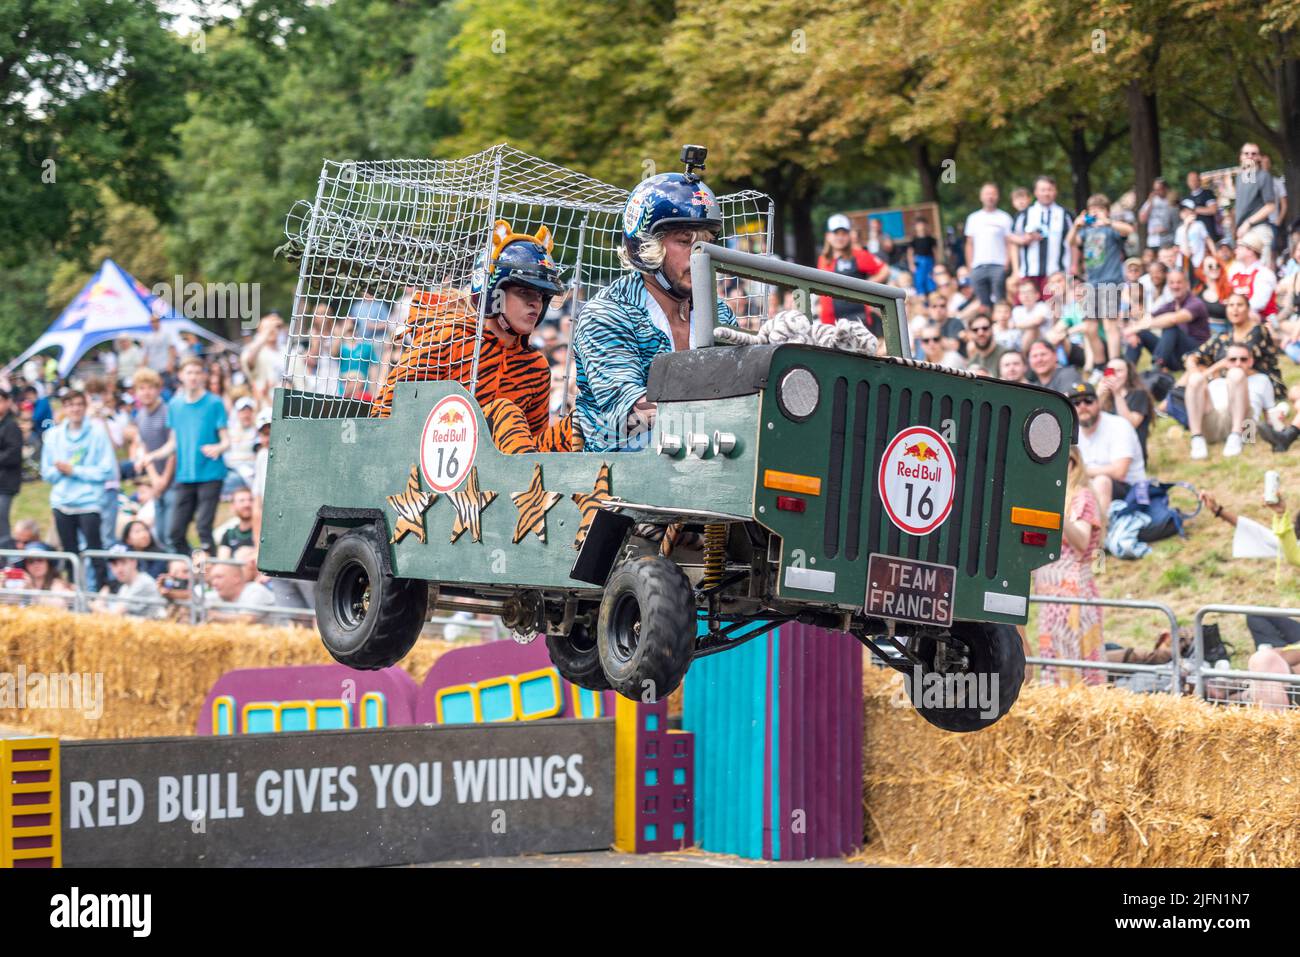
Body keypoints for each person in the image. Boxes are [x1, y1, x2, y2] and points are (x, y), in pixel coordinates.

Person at [573, 159, 738, 451]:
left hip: (707, 459)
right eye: (686, 241)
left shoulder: (719, 312)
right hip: (618, 474)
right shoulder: (607, 313)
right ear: (647, 246)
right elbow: (632, 415)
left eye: (706, 242)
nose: (700, 255)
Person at [371, 221, 575, 453]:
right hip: (430, 468)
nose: (535, 303)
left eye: (541, 296)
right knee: (503, 412)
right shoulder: (448, 337)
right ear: (492, 291)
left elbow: (535, 445)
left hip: (506, 477)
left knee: (585, 423)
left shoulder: (536, 367)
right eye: (524, 292)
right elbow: (384, 413)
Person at [139, 357, 230, 554]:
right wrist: (152, 456)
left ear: (204, 376)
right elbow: (173, 443)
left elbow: (226, 440)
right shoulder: (175, 405)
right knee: (174, 533)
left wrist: (218, 448)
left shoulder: (214, 403)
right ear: (181, 376)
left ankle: (211, 574)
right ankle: (193, 567)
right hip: (185, 475)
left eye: (198, 373)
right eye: (189, 373)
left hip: (210, 474)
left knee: (203, 529)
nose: (194, 377)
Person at [1032, 445, 1105, 686]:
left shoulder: (1081, 496)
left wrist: (1057, 514)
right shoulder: (1053, 495)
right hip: (1051, 593)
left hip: (1072, 590)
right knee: (1054, 658)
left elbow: (1082, 542)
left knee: (1077, 660)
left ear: (1072, 463)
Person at [1184, 293, 1285, 454]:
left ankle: (1236, 436)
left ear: (1251, 360)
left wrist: (1279, 429)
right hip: (1215, 423)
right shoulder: (1218, 377)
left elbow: (1270, 414)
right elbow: (1194, 357)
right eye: (1232, 360)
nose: (1237, 364)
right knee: (1195, 379)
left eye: (1243, 359)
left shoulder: (1262, 380)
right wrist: (1199, 374)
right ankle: (1197, 439)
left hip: (1246, 428)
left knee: (1236, 375)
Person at [40, 390, 115, 591]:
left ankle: (102, 590)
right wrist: (60, 471)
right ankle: (74, 590)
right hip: (62, 502)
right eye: (70, 404)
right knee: (70, 552)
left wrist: (74, 470)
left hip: (89, 501)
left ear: (85, 407)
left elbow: (106, 470)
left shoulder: (97, 433)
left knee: (94, 549)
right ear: (64, 408)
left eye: (79, 404)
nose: (75, 409)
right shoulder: (53, 436)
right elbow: (46, 472)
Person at [1072, 381, 1146, 514]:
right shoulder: (1069, 431)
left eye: (1088, 401)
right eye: (1076, 403)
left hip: (1131, 491)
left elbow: (1119, 472)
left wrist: (1080, 471)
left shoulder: (1118, 425)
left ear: (1098, 403)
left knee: (1101, 481)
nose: (1082, 406)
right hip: (1087, 485)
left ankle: (1100, 532)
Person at [123, 368, 174, 550]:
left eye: (150, 387)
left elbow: (173, 448)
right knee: (160, 533)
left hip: (174, 480)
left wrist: (164, 479)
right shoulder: (141, 415)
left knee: (172, 532)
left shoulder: (167, 411)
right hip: (157, 480)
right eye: (141, 388)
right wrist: (154, 479)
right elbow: (144, 447)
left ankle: (192, 570)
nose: (146, 392)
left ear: (158, 389)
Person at [1123, 269, 1211, 372]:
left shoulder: (1195, 303)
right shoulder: (1171, 304)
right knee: (1141, 334)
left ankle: (1156, 369)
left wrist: (1136, 328)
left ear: (1187, 284)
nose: (1175, 286)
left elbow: (1174, 319)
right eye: (1172, 283)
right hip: (1175, 356)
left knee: (1171, 327)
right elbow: (1148, 317)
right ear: (1168, 285)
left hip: (1196, 355)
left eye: (1179, 282)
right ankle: (1127, 372)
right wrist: (1135, 331)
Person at [817, 214, 890, 331]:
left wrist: (867, 284)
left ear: (849, 235)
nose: (840, 237)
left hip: (858, 320)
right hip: (830, 323)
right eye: (836, 233)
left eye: (844, 233)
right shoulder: (823, 259)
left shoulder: (858, 255)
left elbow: (884, 269)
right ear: (828, 236)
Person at [1010, 176, 1070, 292]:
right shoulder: (1024, 215)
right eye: (1043, 190)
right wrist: (1016, 270)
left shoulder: (1066, 214)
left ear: (1055, 191)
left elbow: (1073, 242)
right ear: (1036, 192)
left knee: (1057, 308)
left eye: (1050, 189)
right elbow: (1012, 239)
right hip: (1028, 272)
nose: (1046, 193)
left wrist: (1073, 267)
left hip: (1058, 273)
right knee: (1027, 309)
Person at [963, 183, 1013, 307]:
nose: (990, 197)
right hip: (978, 266)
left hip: (999, 265)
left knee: (1000, 301)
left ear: (997, 196)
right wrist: (970, 266)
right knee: (983, 304)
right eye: (987, 193)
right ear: (981, 197)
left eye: (993, 193)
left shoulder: (1004, 217)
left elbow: (1010, 243)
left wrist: (1007, 262)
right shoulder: (973, 218)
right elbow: (969, 244)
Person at [1096, 357, 1155, 462]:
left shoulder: (1139, 394)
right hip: (1105, 453)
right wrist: (1097, 396)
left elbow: (1130, 424)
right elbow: (1090, 423)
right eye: (1110, 371)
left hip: (1131, 454)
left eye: (1119, 371)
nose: (1114, 375)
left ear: (1128, 374)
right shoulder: (1104, 397)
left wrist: (1117, 394)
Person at [1234, 143, 1277, 267]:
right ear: (1241, 157)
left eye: (1254, 153)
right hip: (1243, 232)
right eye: (1246, 153)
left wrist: (1248, 223)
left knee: (1260, 273)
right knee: (1244, 273)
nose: (1250, 156)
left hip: (1258, 229)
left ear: (1259, 157)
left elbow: (1270, 206)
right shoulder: (1239, 177)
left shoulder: (1264, 176)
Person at [94, 545, 163, 619]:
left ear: (134, 562)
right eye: (114, 564)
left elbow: (114, 616)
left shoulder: (144, 583)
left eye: (123, 562)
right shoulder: (125, 586)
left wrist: (95, 607)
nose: (119, 569)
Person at [206, 559, 275, 624]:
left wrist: (214, 615)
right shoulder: (217, 595)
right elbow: (198, 602)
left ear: (236, 578)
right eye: (212, 579)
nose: (214, 583)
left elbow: (247, 619)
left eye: (219, 577)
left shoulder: (256, 591)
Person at [1227, 233, 1277, 317]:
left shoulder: (1264, 274)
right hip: (1238, 319)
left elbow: (1258, 304)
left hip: (1261, 323)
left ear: (1250, 251)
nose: (1236, 250)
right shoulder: (1235, 271)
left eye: (1240, 247)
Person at [0, 389, 21, 549]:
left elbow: (13, 453)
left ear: (7, 402)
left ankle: (6, 560)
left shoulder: (11, 425)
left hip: (5, 484)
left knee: (1, 521)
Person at [1138, 177, 1177, 250]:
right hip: (1153, 240)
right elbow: (1142, 219)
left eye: (1159, 189)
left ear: (1165, 188)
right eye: (1155, 190)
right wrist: (1150, 203)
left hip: (1168, 239)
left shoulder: (1171, 201)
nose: (1157, 192)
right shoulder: (1151, 201)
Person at [215, 487, 256, 557]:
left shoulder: (264, 533)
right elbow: (222, 560)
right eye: (242, 501)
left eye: (251, 500)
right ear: (232, 506)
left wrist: (253, 552)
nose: (247, 504)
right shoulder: (229, 534)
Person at [1185, 169, 1220, 241]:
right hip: (1195, 237)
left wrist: (1196, 209)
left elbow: (1213, 210)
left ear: (1199, 181)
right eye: (1190, 180)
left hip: (1209, 234)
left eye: (1195, 180)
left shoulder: (1207, 193)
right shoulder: (1186, 198)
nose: (1193, 182)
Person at [907, 216, 938, 295]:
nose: (921, 227)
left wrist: (936, 264)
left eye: (922, 224)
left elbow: (935, 252)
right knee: (919, 281)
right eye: (919, 225)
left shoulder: (931, 239)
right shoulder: (914, 239)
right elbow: (910, 253)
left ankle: (932, 295)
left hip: (929, 261)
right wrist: (911, 264)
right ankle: (921, 297)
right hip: (919, 262)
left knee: (930, 280)